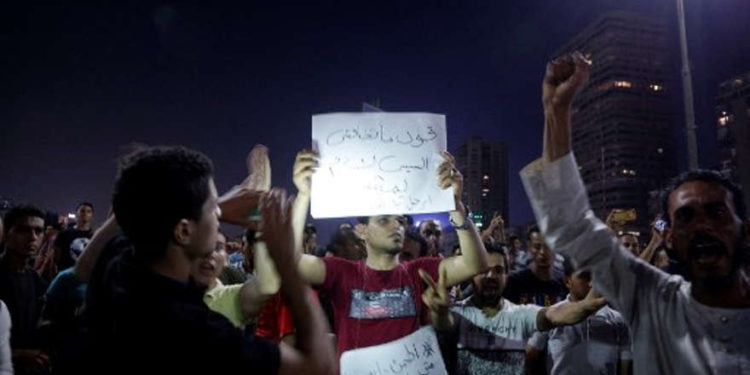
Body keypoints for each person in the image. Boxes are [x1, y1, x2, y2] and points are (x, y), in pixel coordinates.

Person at [520, 52, 750, 374]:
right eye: (685, 217)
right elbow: (571, 223)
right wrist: (556, 110)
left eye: (716, 213)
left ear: (746, 230)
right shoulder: (652, 299)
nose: (702, 227)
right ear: (668, 238)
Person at [86, 146, 335, 375]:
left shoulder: (117, 269)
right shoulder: (196, 332)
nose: (220, 213)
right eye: (213, 206)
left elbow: (124, 223)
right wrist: (287, 262)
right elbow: (319, 365)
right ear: (183, 231)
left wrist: (212, 206)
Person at [289, 149, 488, 359]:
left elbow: (476, 264)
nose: (396, 226)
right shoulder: (342, 272)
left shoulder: (419, 271)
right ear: (362, 230)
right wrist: (303, 196)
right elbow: (290, 262)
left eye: (400, 220)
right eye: (384, 219)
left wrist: (455, 206)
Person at [420, 246, 605, 375]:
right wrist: (440, 312)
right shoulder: (458, 314)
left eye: (498, 270)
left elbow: (554, 314)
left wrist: (585, 306)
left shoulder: (519, 315)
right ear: (471, 274)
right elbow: (444, 323)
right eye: (484, 270)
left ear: (507, 276)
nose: (491, 276)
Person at [525, 258, 632, 375]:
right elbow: (530, 357)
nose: (592, 283)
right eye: (585, 276)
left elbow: (624, 367)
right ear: (567, 281)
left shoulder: (618, 320)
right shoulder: (551, 316)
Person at [0, 205, 50, 374]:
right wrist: (15, 354)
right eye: (24, 230)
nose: (33, 238)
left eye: (39, 231)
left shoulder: (35, 280)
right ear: (6, 233)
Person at [503, 226, 567, 307]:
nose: (542, 252)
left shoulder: (564, 283)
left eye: (548, 247)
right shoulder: (514, 282)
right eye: (537, 247)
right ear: (529, 248)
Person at [53, 202, 95, 273]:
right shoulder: (65, 234)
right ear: (77, 214)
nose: (85, 213)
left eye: (88, 211)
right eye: (82, 211)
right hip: (67, 273)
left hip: (86, 274)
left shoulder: (94, 235)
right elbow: (56, 256)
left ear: (92, 215)